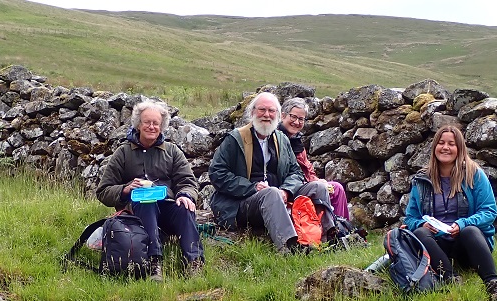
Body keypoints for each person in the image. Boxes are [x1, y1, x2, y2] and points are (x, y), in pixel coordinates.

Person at [208, 92, 336, 254]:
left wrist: (286, 190)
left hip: (278, 196)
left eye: (271, 111)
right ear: (252, 112)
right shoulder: (235, 139)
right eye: (262, 110)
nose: (267, 115)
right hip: (242, 203)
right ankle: (290, 248)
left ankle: (328, 239)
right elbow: (216, 173)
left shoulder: (281, 139)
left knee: (318, 187)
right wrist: (252, 187)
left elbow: (295, 173)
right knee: (271, 193)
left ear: (277, 114)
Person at [95, 100, 204, 281]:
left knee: (185, 208)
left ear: (162, 127)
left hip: (167, 207)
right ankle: (154, 263)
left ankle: (194, 264)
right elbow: (103, 191)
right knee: (146, 202)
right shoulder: (123, 153)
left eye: (156, 123)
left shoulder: (173, 152)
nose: (151, 127)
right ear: (138, 124)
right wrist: (125, 189)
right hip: (136, 213)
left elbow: (188, 182)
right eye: (147, 122)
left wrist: (185, 195)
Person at [403, 125, 497, 301]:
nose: (445, 147)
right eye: (441, 143)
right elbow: (410, 218)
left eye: (451, 144)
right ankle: (450, 278)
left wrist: (462, 224)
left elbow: (489, 211)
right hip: (436, 245)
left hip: (468, 245)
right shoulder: (421, 179)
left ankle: (493, 285)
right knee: (421, 233)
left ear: (459, 148)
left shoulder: (474, 174)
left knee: (470, 230)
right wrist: (421, 224)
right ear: (434, 147)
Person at [278, 97, 350, 220]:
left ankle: (342, 228)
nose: (297, 122)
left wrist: (318, 180)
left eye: (301, 119)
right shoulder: (276, 139)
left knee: (336, 188)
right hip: (288, 189)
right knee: (329, 188)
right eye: (293, 117)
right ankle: (333, 230)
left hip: (305, 184)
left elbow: (308, 170)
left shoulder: (297, 142)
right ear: (283, 116)